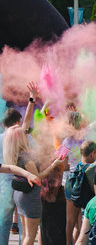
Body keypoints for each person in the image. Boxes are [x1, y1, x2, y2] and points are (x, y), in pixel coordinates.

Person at [4, 125, 64, 245]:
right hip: (30, 196)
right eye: (24, 134)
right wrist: (53, 165)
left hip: (20, 195)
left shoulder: (15, 154)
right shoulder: (26, 157)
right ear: (21, 139)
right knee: (30, 236)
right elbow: (37, 178)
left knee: (26, 233)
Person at [0, 82, 38, 245]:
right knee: (25, 225)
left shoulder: (3, 137)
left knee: (4, 221)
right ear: (17, 122)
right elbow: (27, 123)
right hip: (23, 181)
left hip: (6, 183)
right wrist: (32, 99)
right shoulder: (21, 136)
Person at [65, 140, 96, 245]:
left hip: (70, 183)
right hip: (83, 194)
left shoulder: (77, 167)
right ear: (93, 153)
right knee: (81, 223)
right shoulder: (92, 169)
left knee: (70, 221)